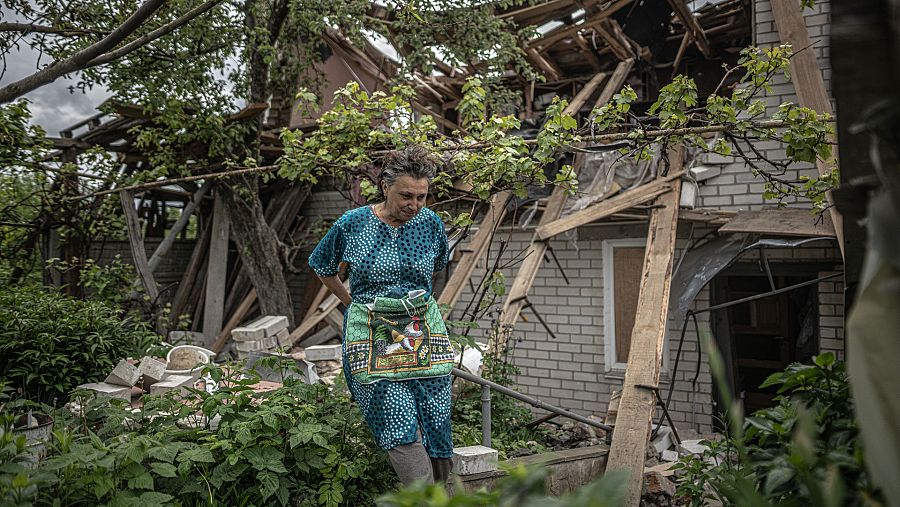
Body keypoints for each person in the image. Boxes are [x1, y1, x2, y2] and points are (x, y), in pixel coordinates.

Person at [308, 145, 453, 486]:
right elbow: (322, 265)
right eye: (406, 195)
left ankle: (445, 493)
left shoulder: (430, 223)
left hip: (422, 329)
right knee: (397, 418)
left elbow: (437, 266)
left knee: (436, 417)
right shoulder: (353, 224)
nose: (414, 205)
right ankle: (423, 497)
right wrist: (350, 302)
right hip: (372, 331)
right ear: (385, 187)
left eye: (421, 197)